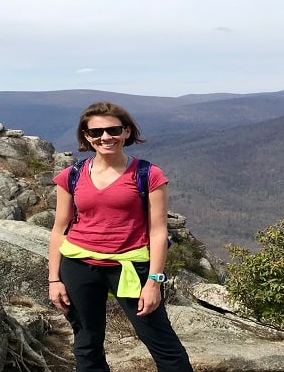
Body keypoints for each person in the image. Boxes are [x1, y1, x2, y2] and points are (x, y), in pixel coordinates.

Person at [47, 101, 193, 372]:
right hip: (78, 266)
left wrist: (154, 281)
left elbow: (159, 231)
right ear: (86, 137)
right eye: (96, 133)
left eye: (113, 130)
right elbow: (59, 228)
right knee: (86, 342)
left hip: (132, 267)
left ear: (126, 132)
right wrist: (54, 279)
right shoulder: (72, 176)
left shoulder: (147, 174)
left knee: (162, 342)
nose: (105, 137)